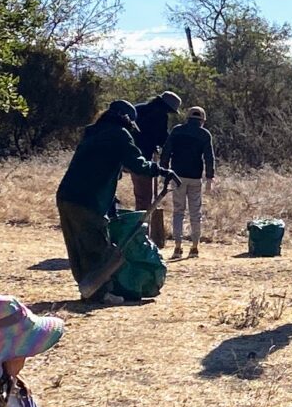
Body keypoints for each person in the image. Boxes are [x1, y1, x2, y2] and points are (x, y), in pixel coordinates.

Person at [55, 101, 162, 301]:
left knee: (77, 248)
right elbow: (137, 164)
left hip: (66, 195)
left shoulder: (93, 132)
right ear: (126, 118)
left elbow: (97, 168)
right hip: (88, 199)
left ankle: (87, 289)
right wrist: (159, 169)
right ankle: (101, 293)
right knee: (98, 247)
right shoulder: (119, 134)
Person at [125, 91, 184, 244]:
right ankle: (140, 235)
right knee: (145, 198)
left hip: (123, 156)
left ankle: (135, 232)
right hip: (142, 160)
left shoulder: (138, 109)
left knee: (137, 195)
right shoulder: (160, 116)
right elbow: (162, 137)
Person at [163, 105, 216, 257]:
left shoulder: (177, 130)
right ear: (202, 120)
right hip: (195, 178)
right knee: (195, 213)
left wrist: (163, 171)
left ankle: (177, 248)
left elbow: (167, 151)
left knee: (178, 212)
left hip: (177, 176)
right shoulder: (204, 134)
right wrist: (209, 177)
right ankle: (194, 247)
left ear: (187, 118)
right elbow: (209, 157)